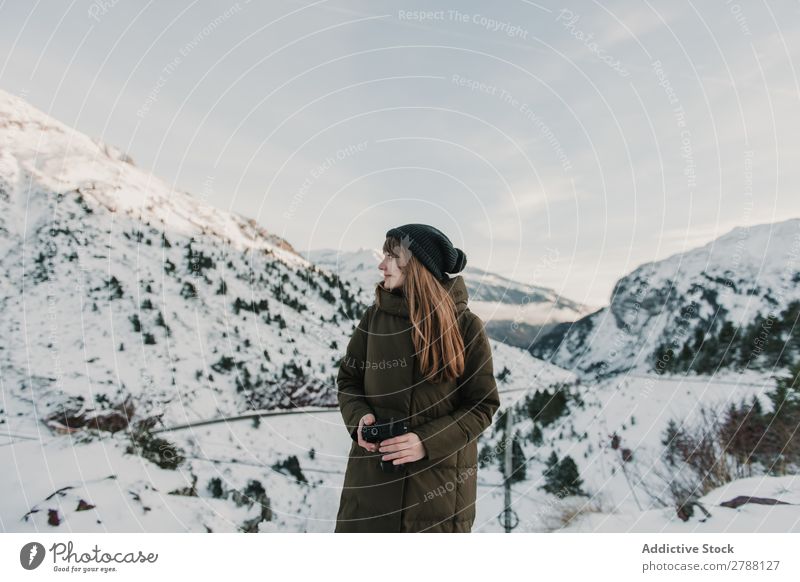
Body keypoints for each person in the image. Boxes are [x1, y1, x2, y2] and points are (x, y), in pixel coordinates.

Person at [334, 223, 500, 533]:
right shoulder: (373, 318)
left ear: (418, 267)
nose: (382, 264)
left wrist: (427, 442)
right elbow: (348, 380)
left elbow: (482, 405)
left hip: (436, 499)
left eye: (393, 256)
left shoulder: (466, 327)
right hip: (369, 492)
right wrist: (359, 417)